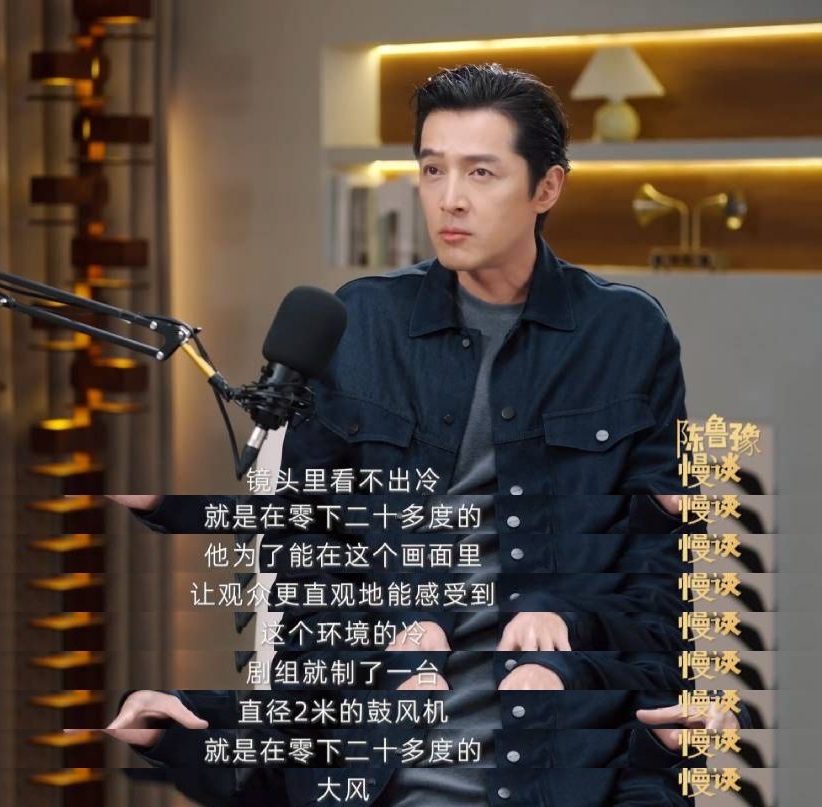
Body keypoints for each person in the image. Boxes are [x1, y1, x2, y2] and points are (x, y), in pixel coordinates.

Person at [98, 65, 750, 806]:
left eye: (481, 172)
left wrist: (578, 655)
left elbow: (661, 572)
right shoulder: (361, 322)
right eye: (432, 169)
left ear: (546, 188)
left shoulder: (626, 332)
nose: (450, 198)